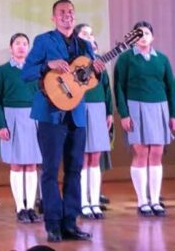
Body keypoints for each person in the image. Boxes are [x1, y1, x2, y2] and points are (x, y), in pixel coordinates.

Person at [22, 0, 103, 242]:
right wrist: (48, 64)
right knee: (49, 170)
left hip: (76, 115)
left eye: (70, 12)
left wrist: (97, 69)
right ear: (53, 18)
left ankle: (70, 223)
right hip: (50, 114)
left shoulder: (85, 45)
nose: (67, 16)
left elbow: (89, 79)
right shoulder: (44, 41)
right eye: (61, 12)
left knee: (75, 170)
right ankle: (53, 224)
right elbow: (26, 72)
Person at [114, 21, 175, 217]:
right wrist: (124, 114)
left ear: (153, 36)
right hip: (136, 107)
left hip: (159, 108)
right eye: (138, 33)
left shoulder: (162, 59)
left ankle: (155, 199)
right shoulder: (125, 59)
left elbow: (171, 87)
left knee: (157, 153)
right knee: (141, 153)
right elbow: (119, 87)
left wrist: (173, 114)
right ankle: (142, 200)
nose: (143, 36)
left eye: (147, 33)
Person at [0, 33, 42, 223]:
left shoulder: (36, 69)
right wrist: (1, 124)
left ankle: (30, 206)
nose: (21, 47)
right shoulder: (4, 71)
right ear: (11, 47)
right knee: (16, 163)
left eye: (24, 44)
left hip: (33, 117)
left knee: (31, 164)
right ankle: (20, 207)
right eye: (17, 43)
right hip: (11, 116)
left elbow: (43, 95)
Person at [73, 23, 113, 220]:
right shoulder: (71, 59)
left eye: (91, 33)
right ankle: (82, 202)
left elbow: (106, 88)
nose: (88, 36)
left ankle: (94, 201)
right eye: (84, 33)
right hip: (78, 108)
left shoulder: (99, 61)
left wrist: (109, 112)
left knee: (95, 157)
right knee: (81, 157)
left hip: (97, 108)